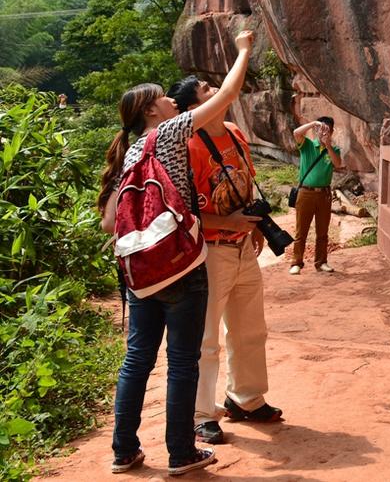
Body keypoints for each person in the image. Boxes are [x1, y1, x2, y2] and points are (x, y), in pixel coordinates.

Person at [98, 30, 254, 477]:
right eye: (164, 98)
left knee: (137, 360)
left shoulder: (128, 153)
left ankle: (124, 451)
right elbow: (227, 94)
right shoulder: (167, 133)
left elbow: (111, 224)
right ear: (152, 110)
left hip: (140, 271)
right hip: (182, 267)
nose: (171, 100)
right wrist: (243, 50)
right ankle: (181, 453)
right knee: (182, 362)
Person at [167, 75, 283, 447]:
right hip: (209, 249)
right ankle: (202, 414)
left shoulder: (233, 131)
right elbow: (182, 210)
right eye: (205, 89)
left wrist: (255, 225)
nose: (215, 89)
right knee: (206, 336)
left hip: (241, 245)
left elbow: (244, 180)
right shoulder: (186, 145)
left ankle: (246, 398)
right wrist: (227, 223)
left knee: (251, 327)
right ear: (191, 109)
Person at [289, 116, 343, 275]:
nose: (323, 132)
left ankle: (321, 262)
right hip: (306, 193)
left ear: (332, 132)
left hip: (324, 194)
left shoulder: (334, 150)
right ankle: (296, 262)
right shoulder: (307, 145)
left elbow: (337, 163)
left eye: (327, 129)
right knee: (301, 231)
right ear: (316, 130)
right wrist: (314, 123)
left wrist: (328, 146)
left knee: (322, 231)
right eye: (321, 129)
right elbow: (296, 133)